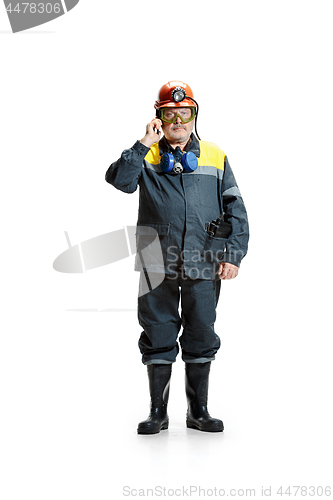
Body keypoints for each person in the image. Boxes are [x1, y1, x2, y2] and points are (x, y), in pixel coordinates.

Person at [105, 81, 249, 434]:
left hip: (204, 258)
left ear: (193, 116)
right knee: (157, 331)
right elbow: (119, 181)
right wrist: (143, 144)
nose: (178, 120)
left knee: (201, 330)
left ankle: (198, 412)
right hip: (156, 259)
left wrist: (233, 254)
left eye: (184, 113)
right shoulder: (147, 155)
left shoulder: (214, 154)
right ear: (159, 117)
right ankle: (158, 412)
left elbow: (236, 208)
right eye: (169, 113)